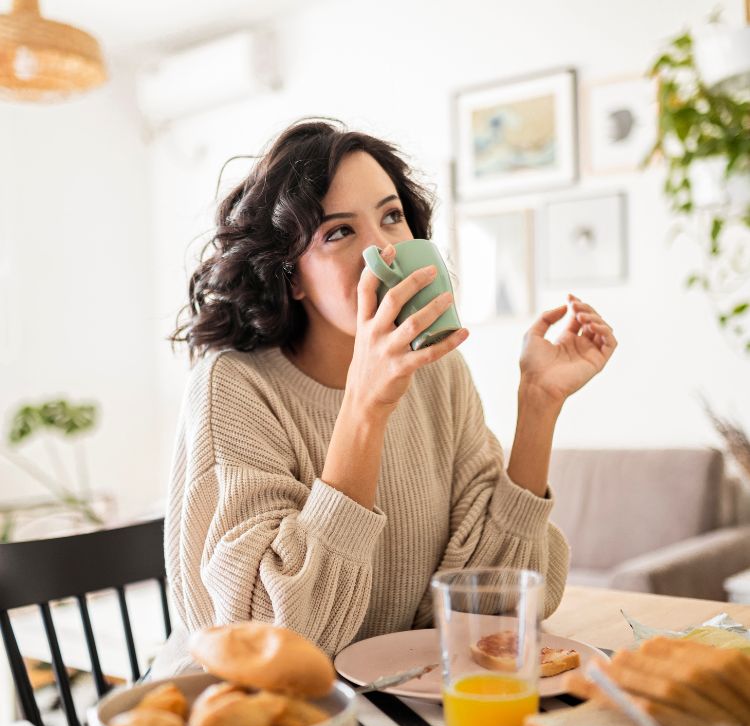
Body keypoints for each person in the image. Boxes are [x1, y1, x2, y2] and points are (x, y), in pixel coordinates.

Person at [152, 118, 617, 676]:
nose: (384, 250)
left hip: (391, 701)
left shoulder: (439, 373)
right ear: (292, 277)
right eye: (338, 232)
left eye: (392, 216)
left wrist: (538, 404)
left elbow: (496, 611)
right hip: (244, 719)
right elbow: (274, 643)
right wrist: (364, 408)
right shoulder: (232, 387)